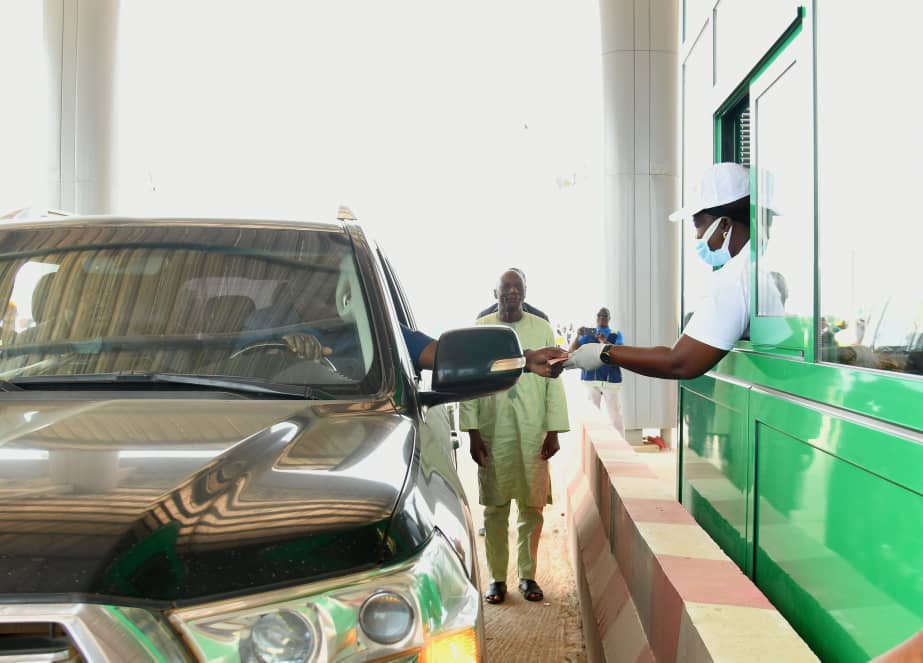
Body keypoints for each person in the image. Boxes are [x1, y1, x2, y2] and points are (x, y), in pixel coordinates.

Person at [565, 162, 767, 379]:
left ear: (725, 224)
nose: (698, 237)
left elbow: (680, 362)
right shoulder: (764, 262)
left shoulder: (737, 276)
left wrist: (603, 353)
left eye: (698, 225)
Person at [460, 269, 569, 604]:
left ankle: (527, 575)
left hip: (534, 431)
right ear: (494, 292)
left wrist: (553, 430)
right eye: (504, 287)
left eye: (516, 287)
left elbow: (554, 381)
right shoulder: (481, 329)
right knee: (494, 508)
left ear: (524, 291)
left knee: (531, 507)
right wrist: (473, 433)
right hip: (494, 431)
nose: (510, 292)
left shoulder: (543, 328)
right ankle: (495, 579)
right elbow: (469, 382)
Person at [568, 307, 625, 436]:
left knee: (615, 415)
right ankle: (593, 444)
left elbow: (620, 352)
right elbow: (571, 351)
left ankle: (621, 443)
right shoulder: (588, 334)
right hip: (590, 380)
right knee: (592, 416)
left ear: (609, 319)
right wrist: (577, 336)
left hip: (610, 380)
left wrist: (604, 341)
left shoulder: (616, 334)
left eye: (604, 316)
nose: (601, 318)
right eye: (599, 315)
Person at [476, 267, 549, 321]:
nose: (513, 291)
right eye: (507, 285)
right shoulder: (483, 318)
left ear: (524, 290)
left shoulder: (540, 318)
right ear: (496, 292)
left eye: (518, 285)